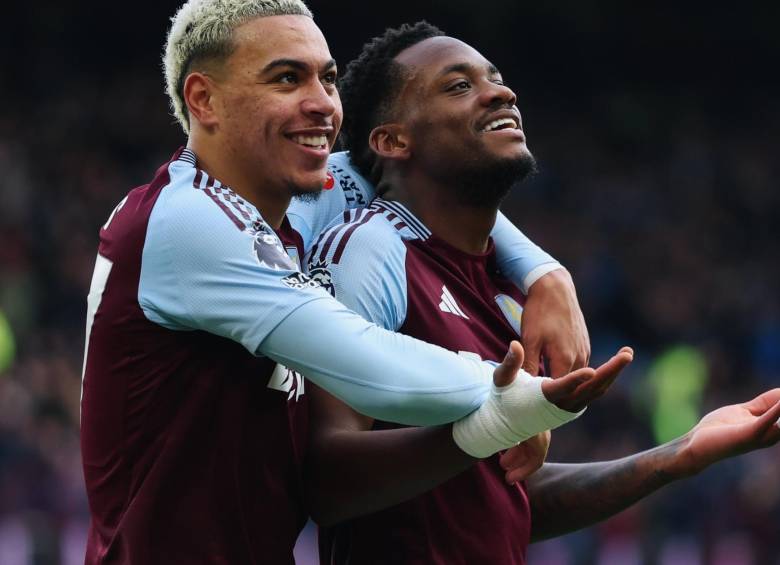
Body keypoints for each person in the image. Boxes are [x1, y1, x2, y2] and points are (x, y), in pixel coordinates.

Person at [79, 2, 620, 563]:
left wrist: (546, 276)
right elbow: (365, 365)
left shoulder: (299, 196)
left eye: (328, 78)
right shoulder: (185, 221)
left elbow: (442, 174)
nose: (322, 104)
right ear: (203, 99)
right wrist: (514, 399)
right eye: (287, 78)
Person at [304, 22, 780, 564]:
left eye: (497, 79)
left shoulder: (511, 288)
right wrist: (492, 427)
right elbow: (323, 482)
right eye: (458, 86)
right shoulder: (368, 249)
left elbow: (497, 496)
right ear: (392, 141)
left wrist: (680, 455)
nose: (501, 92)